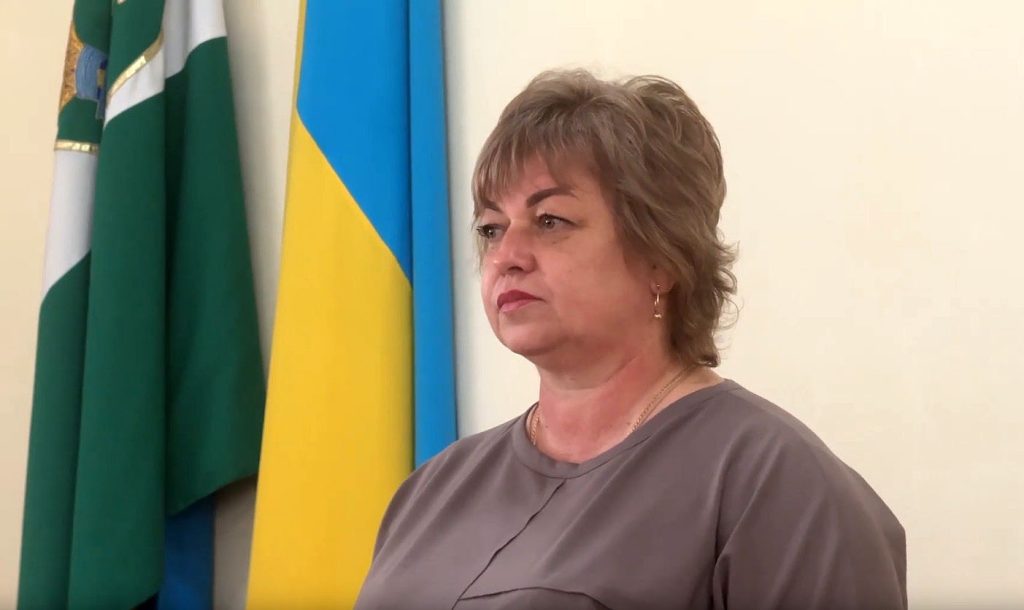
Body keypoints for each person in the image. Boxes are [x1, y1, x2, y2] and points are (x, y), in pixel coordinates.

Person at [354, 69, 906, 610]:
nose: (506, 256)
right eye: (491, 228)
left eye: (550, 221)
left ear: (661, 257)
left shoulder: (777, 485)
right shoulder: (434, 489)